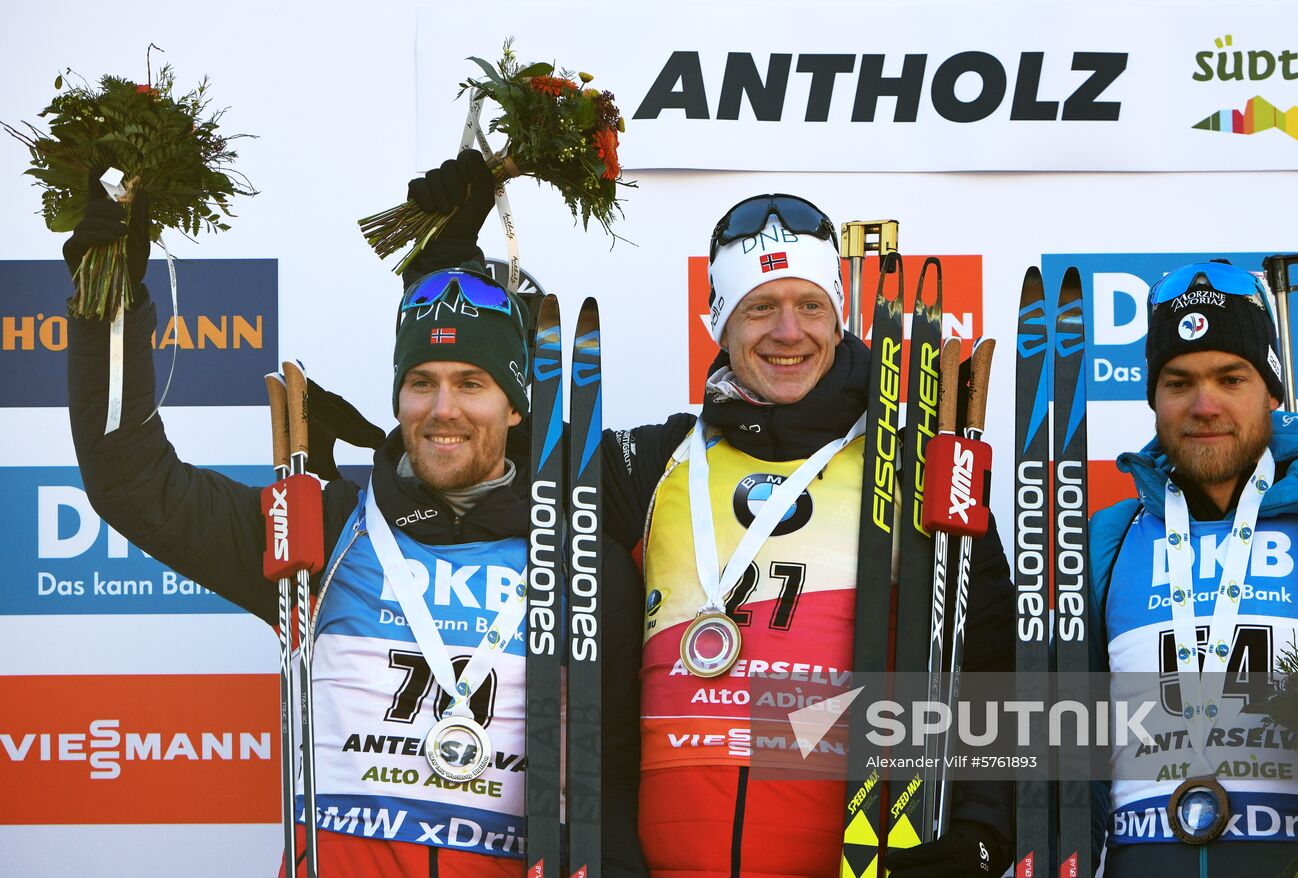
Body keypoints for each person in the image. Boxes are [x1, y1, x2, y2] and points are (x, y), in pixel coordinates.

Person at [327, 161, 1016, 875]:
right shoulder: (654, 465)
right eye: (758, 307)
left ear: (839, 318)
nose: (788, 331)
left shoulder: (908, 471)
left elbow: (995, 662)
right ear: (720, 321)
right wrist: (449, 263)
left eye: (810, 305)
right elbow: (481, 440)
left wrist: (981, 836)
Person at [62, 162, 646, 877]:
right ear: (398, 396)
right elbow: (130, 481)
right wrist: (109, 309)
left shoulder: (582, 564)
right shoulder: (321, 530)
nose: (442, 410)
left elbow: (610, 801)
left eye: (472, 384)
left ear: (517, 405)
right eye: (420, 383)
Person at [1086, 261, 1298, 876]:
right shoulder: (1111, 535)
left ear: (1270, 392)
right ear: (1154, 396)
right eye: (1179, 382)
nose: (1205, 405)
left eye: (1231, 378)